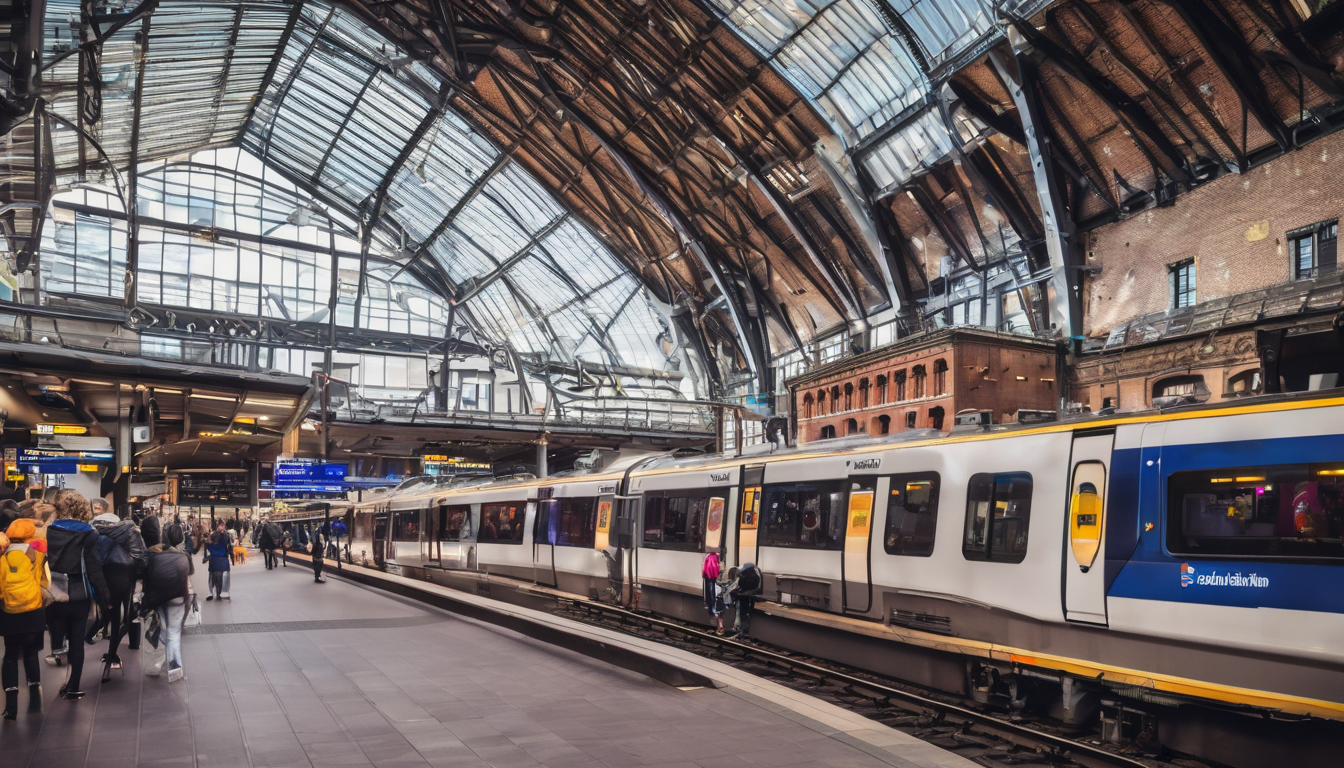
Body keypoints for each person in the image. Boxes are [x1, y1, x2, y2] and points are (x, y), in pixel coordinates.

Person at [44, 490, 110, 700]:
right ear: (82, 508)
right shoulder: (89, 533)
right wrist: (105, 597)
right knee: (77, 639)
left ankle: (57, 652)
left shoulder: (49, 530)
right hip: (79, 593)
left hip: (54, 592)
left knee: (57, 632)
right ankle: (73, 687)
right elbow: (93, 567)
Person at [90, 511, 148, 679]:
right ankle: (112, 653)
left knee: (110, 612)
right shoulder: (127, 532)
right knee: (124, 615)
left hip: (104, 577)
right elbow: (140, 557)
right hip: (124, 576)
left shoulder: (94, 534)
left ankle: (107, 646)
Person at [1, 518, 47, 718]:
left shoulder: (2, 559)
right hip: (34, 611)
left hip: (9, 613)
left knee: (10, 656)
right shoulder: (38, 556)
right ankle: (36, 698)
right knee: (31, 652)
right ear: (30, 535)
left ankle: (11, 707)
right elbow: (45, 583)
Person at [139, 544, 192, 683]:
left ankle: (157, 662)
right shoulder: (183, 556)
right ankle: (174, 669)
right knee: (174, 633)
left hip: (159, 598)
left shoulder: (152, 559)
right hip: (178, 597)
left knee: (163, 627)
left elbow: (145, 580)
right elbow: (189, 573)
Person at [729, 561, 762, 639]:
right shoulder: (755, 574)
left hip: (744, 597)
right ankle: (742, 629)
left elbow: (741, 585)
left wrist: (736, 593)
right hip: (749, 596)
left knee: (742, 613)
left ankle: (741, 630)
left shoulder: (746, 576)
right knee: (745, 614)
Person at [205, 521, 231, 601]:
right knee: (226, 575)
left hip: (213, 562)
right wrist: (222, 532)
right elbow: (226, 541)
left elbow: (207, 547)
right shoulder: (223, 542)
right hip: (223, 562)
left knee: (211, 577)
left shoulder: (210, 545)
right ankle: (224, 591)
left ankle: (210, 592)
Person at [701, 550, 722, 632]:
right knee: (715, 593)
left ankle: (712, 610)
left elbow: (705, 569)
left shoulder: (708, 557)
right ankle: (715, 610)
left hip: (708, 577)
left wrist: (704, 575)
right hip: (715, 577)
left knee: (710, 593)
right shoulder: (717, 557)